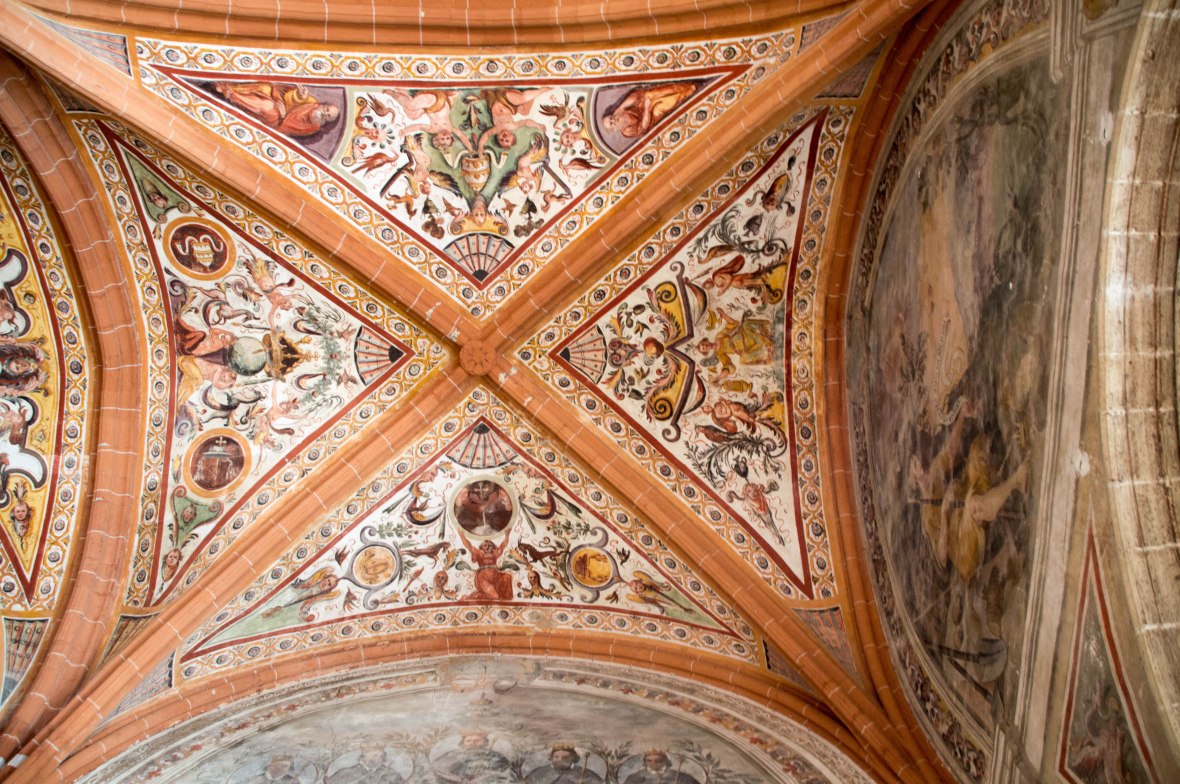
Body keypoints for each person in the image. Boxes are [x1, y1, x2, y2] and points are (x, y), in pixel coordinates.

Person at [213, 81, 341, 138]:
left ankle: (232, 95)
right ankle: (232, 88)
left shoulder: (311, 128)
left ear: (325, 122)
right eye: (326, 109)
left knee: (269, 109)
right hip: (278, 99)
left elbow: (286, 128)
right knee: (265, 88)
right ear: (322, 105)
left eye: (327, 116)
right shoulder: (311, 102)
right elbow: (289, 99)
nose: (324, 113)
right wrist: (299, 96)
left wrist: (283, 115)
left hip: (277, 121)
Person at [601, 82, 697, 139]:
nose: (613, 120)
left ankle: (685, 86)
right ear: (614, 129)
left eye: (611, 118)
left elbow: (634, 97)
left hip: (642, 103)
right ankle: (686, 93)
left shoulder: (620, 111)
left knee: (653, 93)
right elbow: (643, 127)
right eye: (611, 124)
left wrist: (621, 107)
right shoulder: (627, 131)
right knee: (661, 108)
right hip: (650, 116)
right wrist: (647, 109)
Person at [326, 744, 405, 784]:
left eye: (377, 755)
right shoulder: (345, 772)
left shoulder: (392, 774)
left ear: (383, 758)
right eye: (369, 754)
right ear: (362, 757)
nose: (373, 758)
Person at [524, 745, 602, 784]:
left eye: (565, 757)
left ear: (573, 758)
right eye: (556, 757)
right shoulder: (538, 773)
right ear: (551, 757)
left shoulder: (586, 774)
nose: (560, 760)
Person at [622, 750, 700, 784]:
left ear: (665, 761)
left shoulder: (681, 776)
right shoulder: (635, 777)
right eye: (649, 760)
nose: (653, 763)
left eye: (658, 760)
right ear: (645, 762)